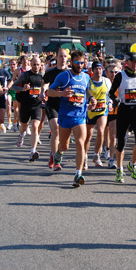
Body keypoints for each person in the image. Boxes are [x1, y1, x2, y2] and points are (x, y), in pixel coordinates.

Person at [47, 50, 95, 187]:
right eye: (77, 62)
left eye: (82, 62)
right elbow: (49, 91)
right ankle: (59, 152)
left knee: (80, 143)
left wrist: (91, 98)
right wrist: (61, 93)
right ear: (71, 62)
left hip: (80, 115)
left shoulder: (86, 77)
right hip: (65, 115)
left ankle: (78, 174)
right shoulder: (64, 76)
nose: (79, 65)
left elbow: (87, 89)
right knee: (64, 145)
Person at [107, 52, 136, 183]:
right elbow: (111, 92)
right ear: (127, 62)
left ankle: (132, 164)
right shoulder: (120, 76)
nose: (135, 63)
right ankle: (119, 169)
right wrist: (115, 99)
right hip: (124, 111)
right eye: (132, 61)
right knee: (121, 143)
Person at [11, 56, 45, 161]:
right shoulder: (25, 75)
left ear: (40, 65)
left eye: (38, 64)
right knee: (24, 126)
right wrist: (22, 88)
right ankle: (21, 135)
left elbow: (47, 87)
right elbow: (13, 86)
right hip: (25, 105)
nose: (36, 67)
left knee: (35, 126)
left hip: (37, 106)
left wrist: (44, 93)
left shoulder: (43, 75)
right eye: (34, 64)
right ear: (31, 64)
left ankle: (32, 151)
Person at [42, 48, 68, 170]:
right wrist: (43, 91)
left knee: (63, 135)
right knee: (56, 129)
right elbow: (45, 83)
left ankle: (55, 153)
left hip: (66, 106)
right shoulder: (50, 71)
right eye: (61, 56)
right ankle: (56, 160)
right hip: (52, 104)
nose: (63, 58)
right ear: (56, 57)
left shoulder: (70, 72)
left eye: (65, 56)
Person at [85, 61, 111, 169]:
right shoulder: (88, 82)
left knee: (101, 131)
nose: (98, 71)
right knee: (88, 136)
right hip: (90, 112)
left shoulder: (107, 81)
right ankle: (84, 157)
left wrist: (110, 103)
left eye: (100, 69)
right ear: (92, 70)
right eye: (96, 69)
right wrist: (87, 105)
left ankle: (97, 155)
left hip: (102, 111)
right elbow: (84, 96)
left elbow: (109, 95)